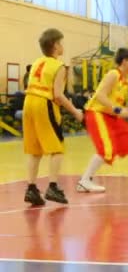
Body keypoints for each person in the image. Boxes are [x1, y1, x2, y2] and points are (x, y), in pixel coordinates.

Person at [76, 48, 128, 193]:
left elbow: (118, 104)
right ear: (124, 61)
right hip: (97, 113)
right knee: (106, 148)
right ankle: (84, 180)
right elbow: (100, 96)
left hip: (111, 115)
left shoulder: (125, 80)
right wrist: (119, 111)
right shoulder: (113, 74)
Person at [22, 29, 83, 206]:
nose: (62, 46)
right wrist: (76, 111)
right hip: (43, 104)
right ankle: (52, 187)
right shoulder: (59, 66)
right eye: (61, 43)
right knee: (57, 147)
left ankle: (31, 188)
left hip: (28, 102)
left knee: (35, 150)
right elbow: (58, 95)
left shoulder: (36, 63)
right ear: (55, 45)